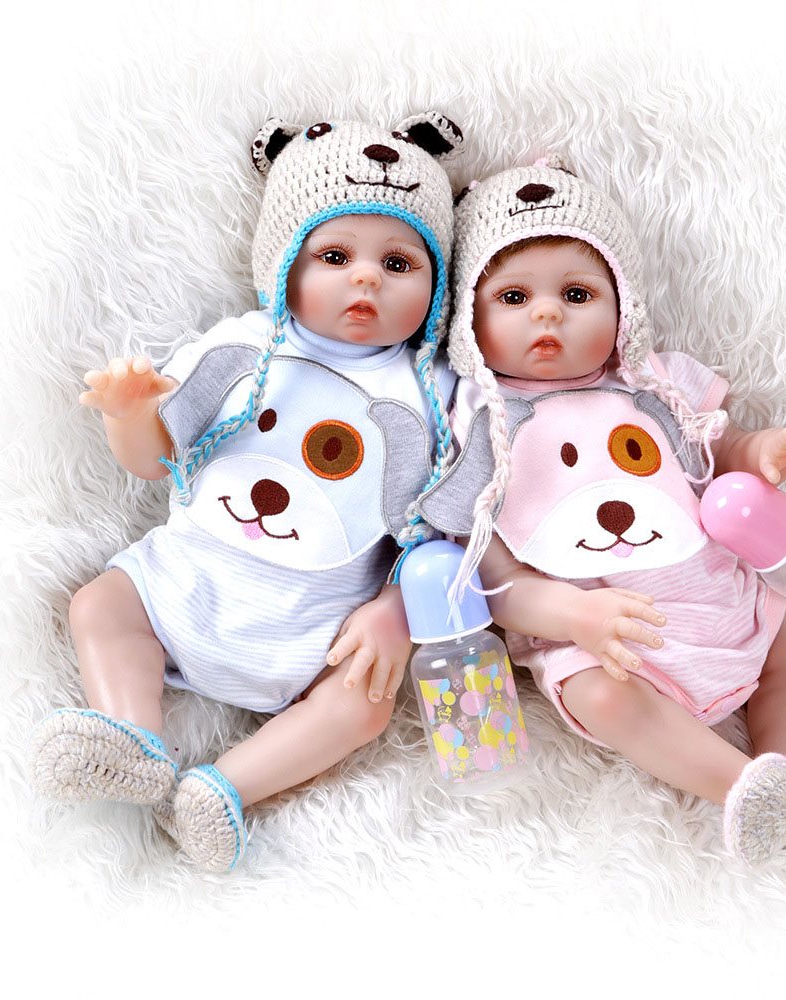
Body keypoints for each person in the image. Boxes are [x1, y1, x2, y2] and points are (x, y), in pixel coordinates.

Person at [417, 158, 786, 865]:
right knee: (601, 698)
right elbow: (493, 579)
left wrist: (760, 451)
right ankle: (743, 788)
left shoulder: (654, 385)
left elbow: (714, 449)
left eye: (577, 293)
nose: (547, 313)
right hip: (605, 640)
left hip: (717, 597)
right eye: (514, 296)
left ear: (623, 307)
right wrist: (573, 615)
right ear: (467, 321)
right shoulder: (478, 424)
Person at [31, 112, 463, 872]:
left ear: (437, 287)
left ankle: (225, 787)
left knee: (361, 704)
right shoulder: (240, 345)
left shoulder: (433, 394)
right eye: (335, 255)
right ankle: (131, 736)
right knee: (100, 603)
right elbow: (155, 461)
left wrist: (394, 614)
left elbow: (441, 531)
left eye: (399, 263)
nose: (366, 277)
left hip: (315, 630)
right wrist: (130, 415)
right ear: (285, 262)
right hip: (183, 584)